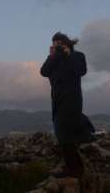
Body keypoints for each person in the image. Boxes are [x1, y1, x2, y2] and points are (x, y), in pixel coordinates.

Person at [40, 32, 96, 178]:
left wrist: (68, 54)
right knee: (62, 132)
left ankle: (74, 169)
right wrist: (52, 56)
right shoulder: (54, 59)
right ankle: (75, 166)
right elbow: (44, 72)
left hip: (72, 99)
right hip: (57, 100)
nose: (56, 47)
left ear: (66, 43)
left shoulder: (77, 56)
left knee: (63, 133)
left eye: (59, 44)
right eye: (54, 44)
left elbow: (80, 71)